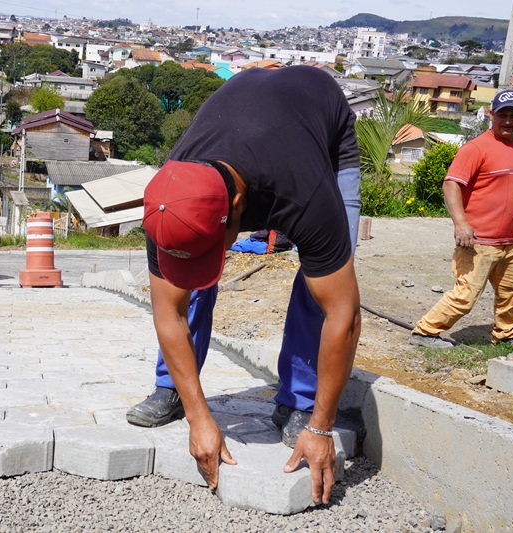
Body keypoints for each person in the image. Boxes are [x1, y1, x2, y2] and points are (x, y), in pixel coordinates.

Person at [126, 65, 362, 505]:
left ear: (237, 208)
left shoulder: (303, 193)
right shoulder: (168, 200)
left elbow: (344, 314)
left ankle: (300, 402)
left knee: (323, 289)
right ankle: (173, 389)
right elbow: (168, 311)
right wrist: (200, 418)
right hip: (248, 126)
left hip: (323, 142)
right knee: (187, 291)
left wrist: (322, 427)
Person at [410, 89, 513, 348]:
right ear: (491, 114)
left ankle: (506, 334)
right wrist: (461, 223)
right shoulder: (476, 148)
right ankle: (425, 332)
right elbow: (451, 184)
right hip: (479, 240)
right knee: (466, 294)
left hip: (510, 241)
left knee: (511, 291)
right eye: (503, 115)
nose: (508, 121)